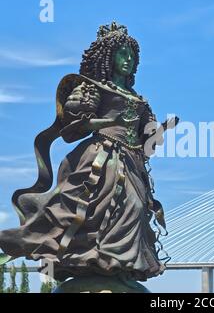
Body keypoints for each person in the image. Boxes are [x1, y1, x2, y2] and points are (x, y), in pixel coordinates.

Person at [0, 21, 176, 283]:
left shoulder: (140, 100)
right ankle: (92, 261)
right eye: (122, 53)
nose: (128, 59)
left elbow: (145, 143)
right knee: (93, 209)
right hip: (99, 158)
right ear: (108, 57)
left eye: (132, 54)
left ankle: (117, 264)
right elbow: (72, 130)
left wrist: (159, 132)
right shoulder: (92, 88)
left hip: (130, 161)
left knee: (136, 208)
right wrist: (105, 123)